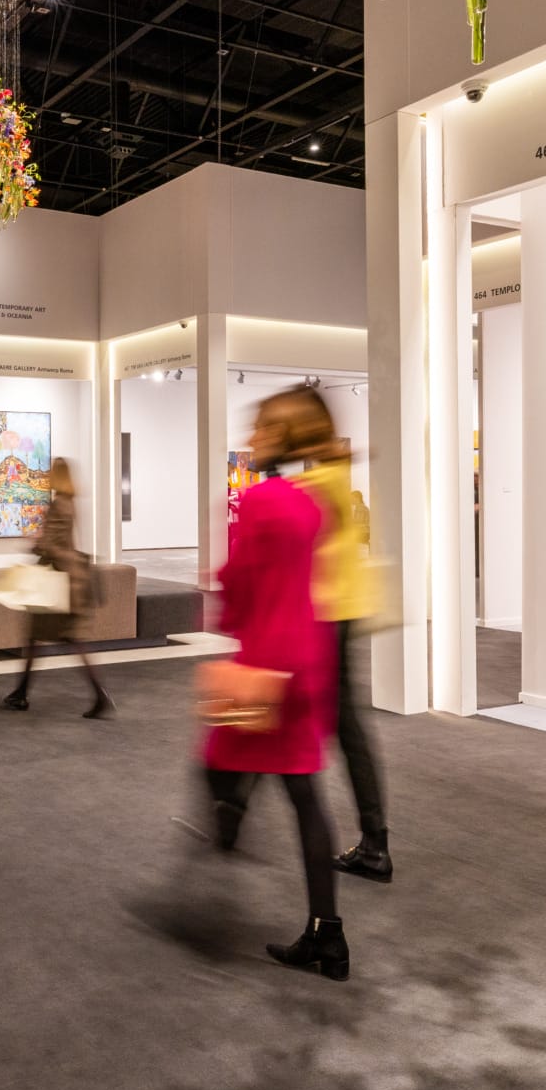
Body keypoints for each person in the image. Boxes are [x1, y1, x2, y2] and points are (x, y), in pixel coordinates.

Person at [202, 389, 344, 980]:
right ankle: (327, 935)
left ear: (281, 436)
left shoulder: (258, 503)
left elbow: (238, 584)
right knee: (304, 797)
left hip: (265, 664)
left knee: (217, 760)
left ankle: (223, 835)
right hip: (306, 660)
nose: (252, 438)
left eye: (260, 428)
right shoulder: (312, 507)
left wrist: (226, 605)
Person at [280, 392, 391, 883]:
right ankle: (374, 843)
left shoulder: (316, 487)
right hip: (339, 613)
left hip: (324, 616)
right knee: (345, 728)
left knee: (301, 720)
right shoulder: (335, 480)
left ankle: (230, 814)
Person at [1, 457, 113, 719]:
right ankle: (21, 693)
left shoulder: (57, 505)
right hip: (69, 580)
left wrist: (35, 541)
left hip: (57, 583)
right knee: (45, 638)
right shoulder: (69, 503)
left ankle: (98, 695)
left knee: (54, 639)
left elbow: (49, 545)